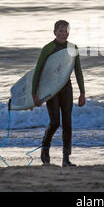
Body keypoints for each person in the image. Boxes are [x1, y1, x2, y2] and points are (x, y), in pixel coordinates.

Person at [31, 20, 85, 167]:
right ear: (54, 32)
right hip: (52, 89)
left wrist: (82, 92)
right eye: (60, 31)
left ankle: (66, 158)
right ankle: (45, 148)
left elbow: (78, 71)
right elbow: (38, 72)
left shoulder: (73, 48)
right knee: (55, 122)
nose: (63, 34)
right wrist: (35, 94)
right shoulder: (48, 49)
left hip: (66, 88)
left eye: (66, 31)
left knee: (67, 123)